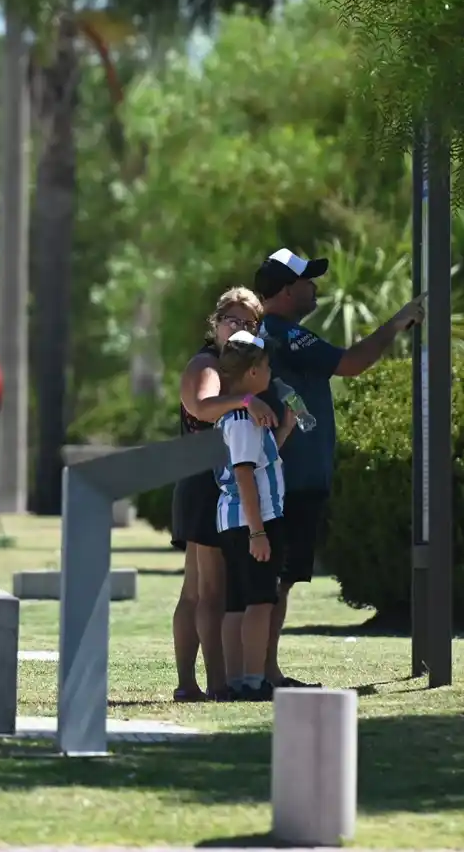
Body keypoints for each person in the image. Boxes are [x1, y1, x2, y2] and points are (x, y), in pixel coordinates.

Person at [254, 247, 426, 686]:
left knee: (279, 580)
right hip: (288, 481)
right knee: (275, 581)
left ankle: (261, 670)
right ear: (289, 289)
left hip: (290, 478)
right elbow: (352, 363)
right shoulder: (284, 334)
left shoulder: (270, 333)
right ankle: (261, 673)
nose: (316, 289)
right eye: (308, 281)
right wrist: (397, 322)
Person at [170, 287, 279, 702]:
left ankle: (191, 683)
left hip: (207, 482)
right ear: (215, 324)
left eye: (249, 323)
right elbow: (201, 405)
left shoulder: (234, 370)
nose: (239, 328)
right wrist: (247, 399)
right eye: (231, 320)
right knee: (208, 592)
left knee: (196, 590)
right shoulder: (206, 364)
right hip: (203, 484)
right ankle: (214, 683)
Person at [213, 331, 299, 701]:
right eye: (264, 365)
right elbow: (245, 474)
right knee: (261, 601)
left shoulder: (237, 418)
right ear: (251, 372)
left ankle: (234, 680)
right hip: (255, 520)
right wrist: (258, 532)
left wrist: (285, 429)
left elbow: (258, 462)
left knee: (236, 602)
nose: (269, 371)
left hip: (233, 521)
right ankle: (252, 679)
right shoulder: (244, 419)